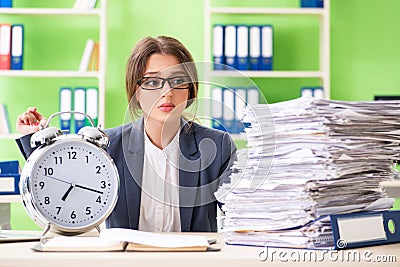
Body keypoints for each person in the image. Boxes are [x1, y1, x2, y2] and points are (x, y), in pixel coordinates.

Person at [15, 36, 236, 232]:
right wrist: (33, 140)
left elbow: (244, 213)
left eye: (178, 81)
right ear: (135, 91)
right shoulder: (107, 146)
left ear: (190, 89)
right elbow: (61, 186)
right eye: (152, 81)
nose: (167, 93)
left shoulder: (218, 145)